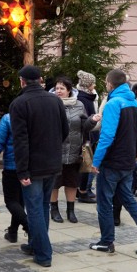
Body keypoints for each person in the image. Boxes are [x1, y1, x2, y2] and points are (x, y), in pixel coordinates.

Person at [89, 69, 137, 256]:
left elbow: (107, 136)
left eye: (106, 81)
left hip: (112, 162)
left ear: (110, 83)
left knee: (104, 202)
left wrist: (96, 161)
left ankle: (106, 241)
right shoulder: (134, 103)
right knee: (127, 198)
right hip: (127, 161)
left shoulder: (114, 103)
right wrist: (136, 152)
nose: (106, 84)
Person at [10, 65, 69, 268]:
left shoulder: (19, 103)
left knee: (35, 208)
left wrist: (22, 170)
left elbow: (21, 140)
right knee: (42, 205)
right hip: (52, 163)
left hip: (33, 167)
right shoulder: (55, 100)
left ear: (22, 81)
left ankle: (44, 253)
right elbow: (64, 130)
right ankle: (36, 244)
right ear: (40, 80)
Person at [50, 76, 91, 224]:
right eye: (57, 88)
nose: (58, 91)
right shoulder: (52, 103)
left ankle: (71, 210)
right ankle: (54, 209)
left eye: (62, 88)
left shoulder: (79, 105)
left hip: (74, 150)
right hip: (56, 150)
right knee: (55, 182)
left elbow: (85, 125)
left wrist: (93, 121)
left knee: (72, 182)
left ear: (69, 91)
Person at [0, 113, 29, 243]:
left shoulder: (9, 118)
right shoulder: (39, 114)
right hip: (32, 166)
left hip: (13, 165)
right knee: (20, 201)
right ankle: (12, 232)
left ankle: (30, 227)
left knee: (11, 201)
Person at [75, 70, 99, 204]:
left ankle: (82, 190)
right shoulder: (84, 99)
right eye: (92, 83)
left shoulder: (85, 97)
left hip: (89, 136)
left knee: (86, 165)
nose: (94, 85)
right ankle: (83, 192)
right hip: (86, 137)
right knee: (86, 165)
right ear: (88, 84)